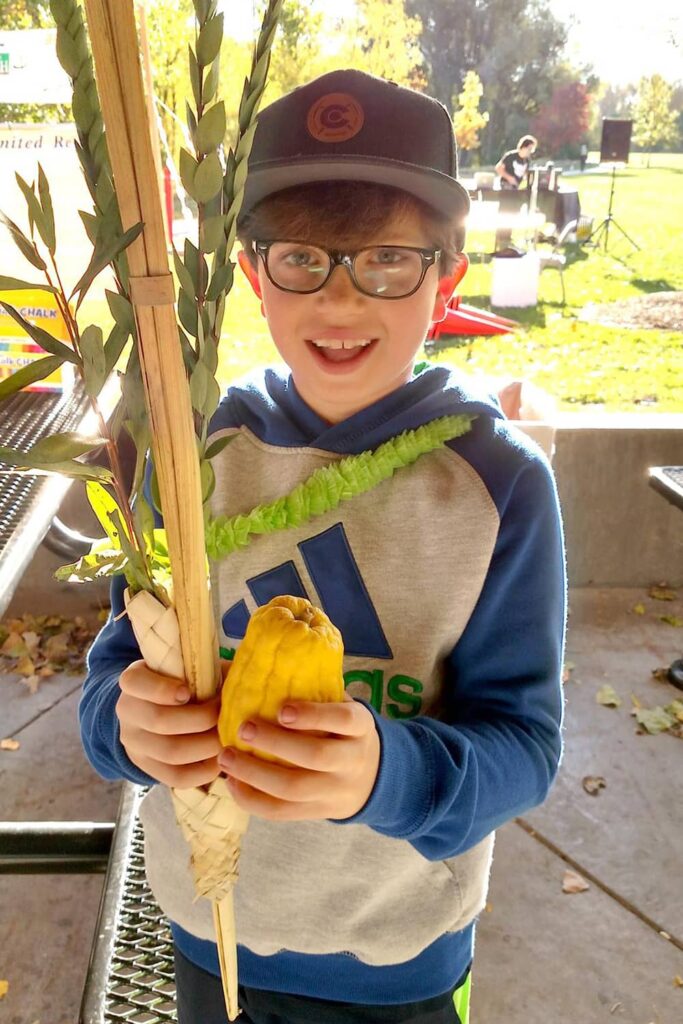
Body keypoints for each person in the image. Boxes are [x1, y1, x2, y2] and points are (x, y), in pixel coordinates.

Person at [81, 69, 566, 1024]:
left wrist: (388, 772)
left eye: (386, 259)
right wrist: (121, 729)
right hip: (202, 923)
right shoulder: (190, 454)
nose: (341, 302)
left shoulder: (500, 486)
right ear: (254, 273)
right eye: (303, 258)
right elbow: (120, 661)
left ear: (448, 276)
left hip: (393, 965)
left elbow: (523, 745)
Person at [493, 135, 538, 251]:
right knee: (504, 212)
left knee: (513, 213)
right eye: (530, 148)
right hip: (506, 189)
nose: (531, 151)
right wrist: (509, 178)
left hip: (516, 191)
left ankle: (507, 238)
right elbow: (498, 168)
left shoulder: (527, 161)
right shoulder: (511, 156)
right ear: (524, 147)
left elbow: (525, 175)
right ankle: (501, 238)